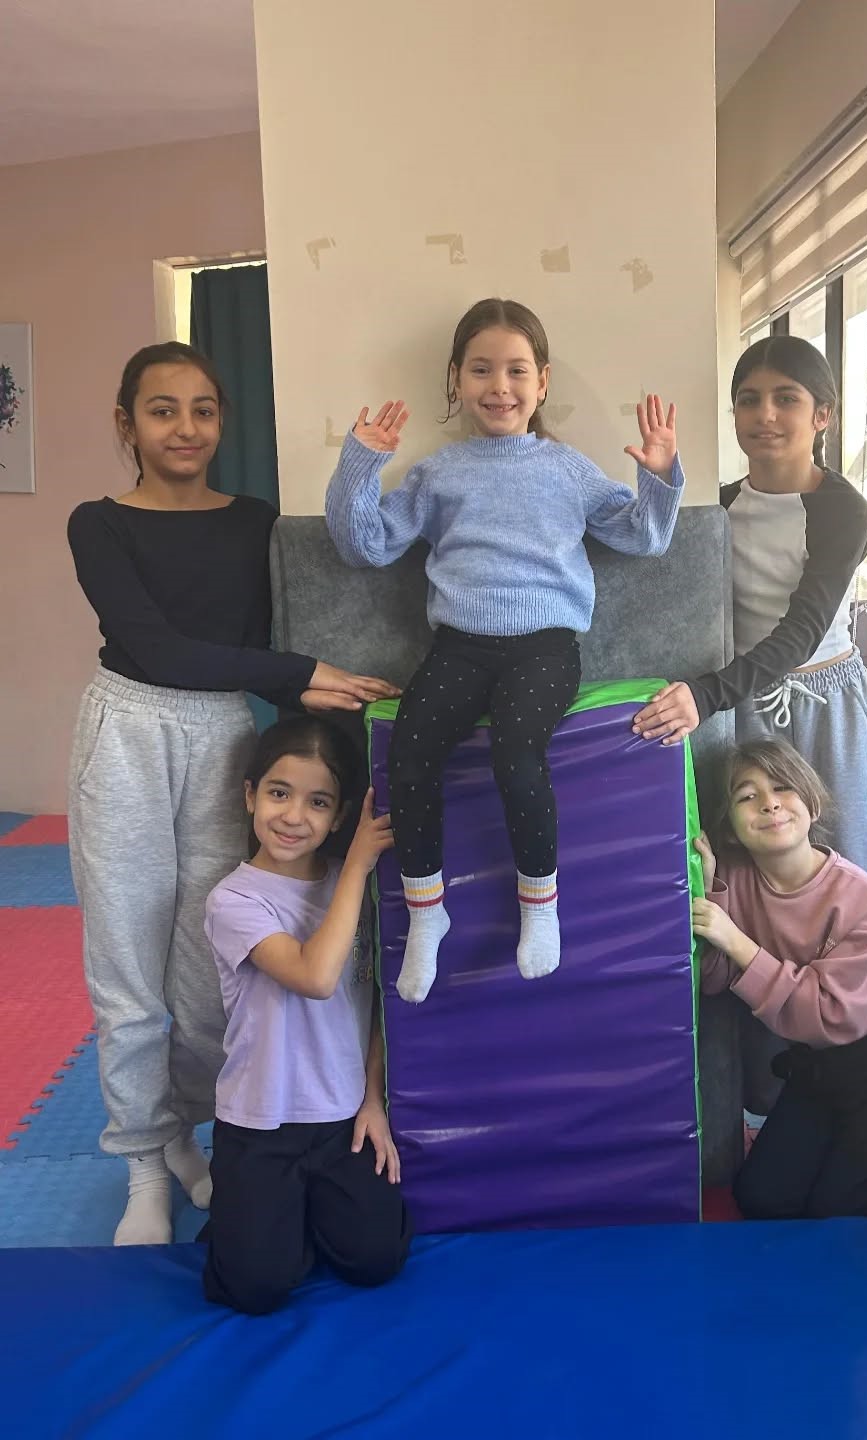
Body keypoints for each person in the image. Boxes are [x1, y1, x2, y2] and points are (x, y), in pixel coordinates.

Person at [67, 341, 399, 1245]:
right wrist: (300, 672)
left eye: (203, 409)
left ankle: (196, 1130)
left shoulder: (254, 521)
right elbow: (158, 648)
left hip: (223, 734)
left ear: (223, 420)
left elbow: (256, 642)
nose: (186, 427)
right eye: (163, 409)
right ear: (127, 423)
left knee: (209, 971)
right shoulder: (98, 523)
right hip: (128, 730)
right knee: (127, 966)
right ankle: (145, 1159)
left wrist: (349, 705)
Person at [326, 297, 684, 1002]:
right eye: (482, 370)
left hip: (545, 647)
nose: (500, 386)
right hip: (460, 646)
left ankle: (540, 907)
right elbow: (364, 546)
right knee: (410, 753)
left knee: (516, 752)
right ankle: (426, 913)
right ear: (456, 380)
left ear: (542, 382)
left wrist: (660, 474)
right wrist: (360, 464)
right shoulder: (439, 473)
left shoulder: (568, 468)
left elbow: (644, 536)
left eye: (517, 370)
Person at [633, 336, 867, 883]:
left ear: (822, 415)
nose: (764, 414)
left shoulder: (843, 511)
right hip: (743, 701)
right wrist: (661, 485)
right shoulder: (720, 507)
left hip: (823, 701)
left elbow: (802, 629)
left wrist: (704, 694)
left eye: (786, 399)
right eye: (748, 400)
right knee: (743, 858)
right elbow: (656, 581)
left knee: (844, 856)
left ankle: (859, 945)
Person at [691, 739, 867, 1220]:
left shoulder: (857, 894)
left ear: (812, 804)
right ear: (729, 824)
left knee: (837, 1207)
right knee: (761, 1198)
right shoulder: (738, 879)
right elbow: (713, 980)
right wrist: (711, 885)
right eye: (747, 796)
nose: (769, 803)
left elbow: (830, 1015)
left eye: (782, 787)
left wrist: (736, 940)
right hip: (820, 1068)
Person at [202, 716, 409, 1314]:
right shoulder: (234, 900)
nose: (294, 816)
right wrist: (358, 867)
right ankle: (247, 1216)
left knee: (377, 1259)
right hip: (260, 1123)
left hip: (342, 1120)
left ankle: (296, 1214)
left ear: (340, 815)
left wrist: (373, 1101)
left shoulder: (356, 891)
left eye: (318, 802)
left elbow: (375, 1003)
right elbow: (315, 977)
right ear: (250, 796)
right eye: (279, 793)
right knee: (256, 1289)